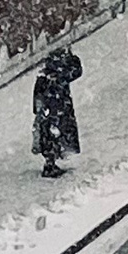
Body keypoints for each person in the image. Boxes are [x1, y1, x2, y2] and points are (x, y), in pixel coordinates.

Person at [32, 46, 83, 178]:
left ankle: (50, 162)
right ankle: (51, 165)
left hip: (49, 111)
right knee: (56, 135)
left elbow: (37, 96)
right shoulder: (59, 75)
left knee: (49, 135)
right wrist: (73, 58)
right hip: (58, 110)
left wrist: (39, 111)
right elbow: (76, 72)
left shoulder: (44, 75)